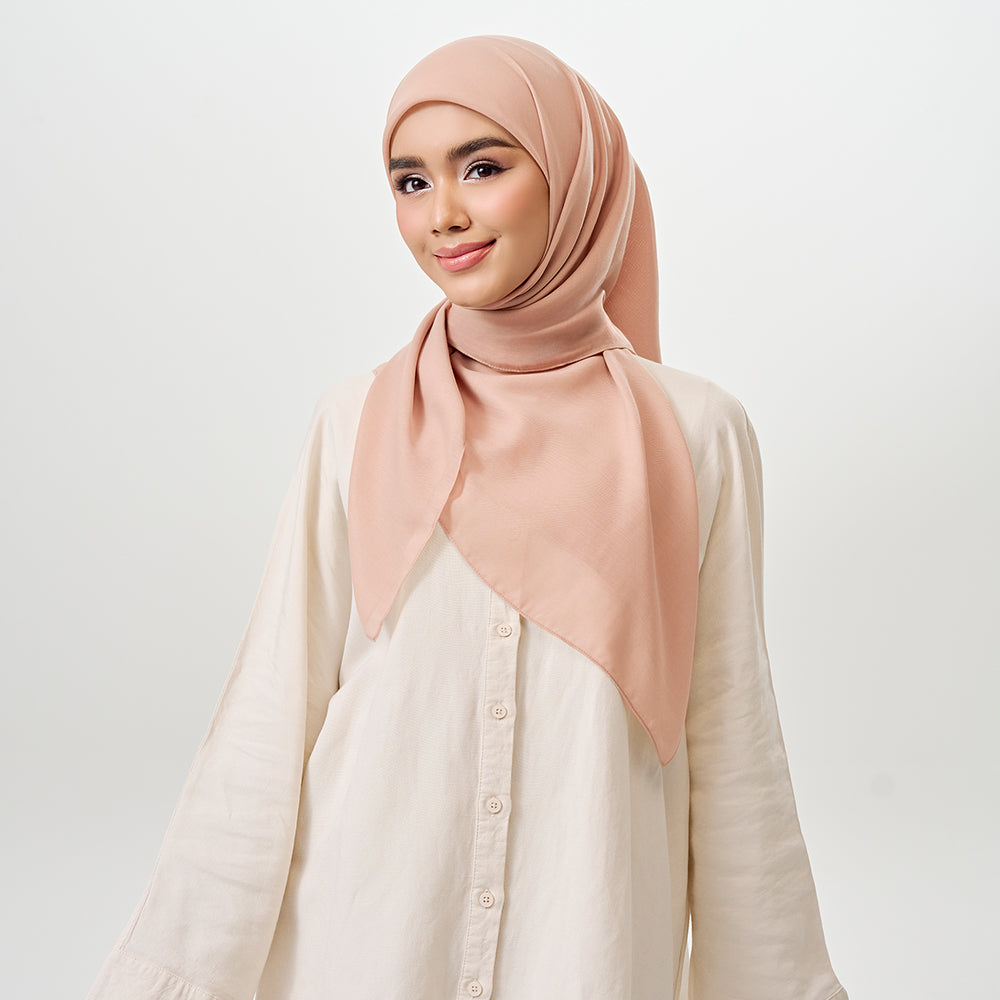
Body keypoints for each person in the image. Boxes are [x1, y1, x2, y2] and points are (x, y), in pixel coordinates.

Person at [86, 35, 847, 1000]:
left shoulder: (695, 433)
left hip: (582, 954)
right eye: (410, 181)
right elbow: (269, 713)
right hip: (362, 950)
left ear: (575, 177)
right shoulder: (357, 420)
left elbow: (731, 738)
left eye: (483, 168)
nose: (442, 214)